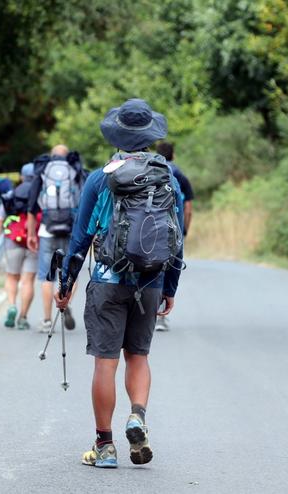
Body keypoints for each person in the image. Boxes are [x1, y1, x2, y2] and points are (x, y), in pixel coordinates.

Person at [54, 98, 184, 468]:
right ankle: (137, 417)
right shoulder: (167, 177)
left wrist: (66, 283)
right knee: (138, 357)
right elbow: (176, 237)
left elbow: (80, 237)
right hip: (151, 280)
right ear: (149, 136)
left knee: (105, 363)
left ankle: (105, 447)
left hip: (107, 281)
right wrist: (170, 287)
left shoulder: (101, 177)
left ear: (117, 134)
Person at [26, 144, 86, 333]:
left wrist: (30, 234)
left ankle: (46, 320)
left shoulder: (43, 171)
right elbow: (84, 202)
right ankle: (65, 300)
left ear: (51, 156)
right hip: (70, 229)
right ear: (67, 156)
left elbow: (31, 206)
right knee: (71, 273)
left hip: (47, 230)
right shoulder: (74, 170)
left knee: (46, 276)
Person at [155, 141, 195, 332]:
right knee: (166, 267)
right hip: (171, 228)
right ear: (173, 155)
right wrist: (184, 229)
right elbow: (187, 208)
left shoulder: (148, 170)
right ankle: (160, 317)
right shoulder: (178, 175)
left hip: (147, 229)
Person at [0, 163, 39, 330]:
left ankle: (12, 306)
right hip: (33, 241)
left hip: (12, 240)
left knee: (12, 276)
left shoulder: (11, 194)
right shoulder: (39, 195)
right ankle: (23, 317)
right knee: (28, 281)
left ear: (21, 177)